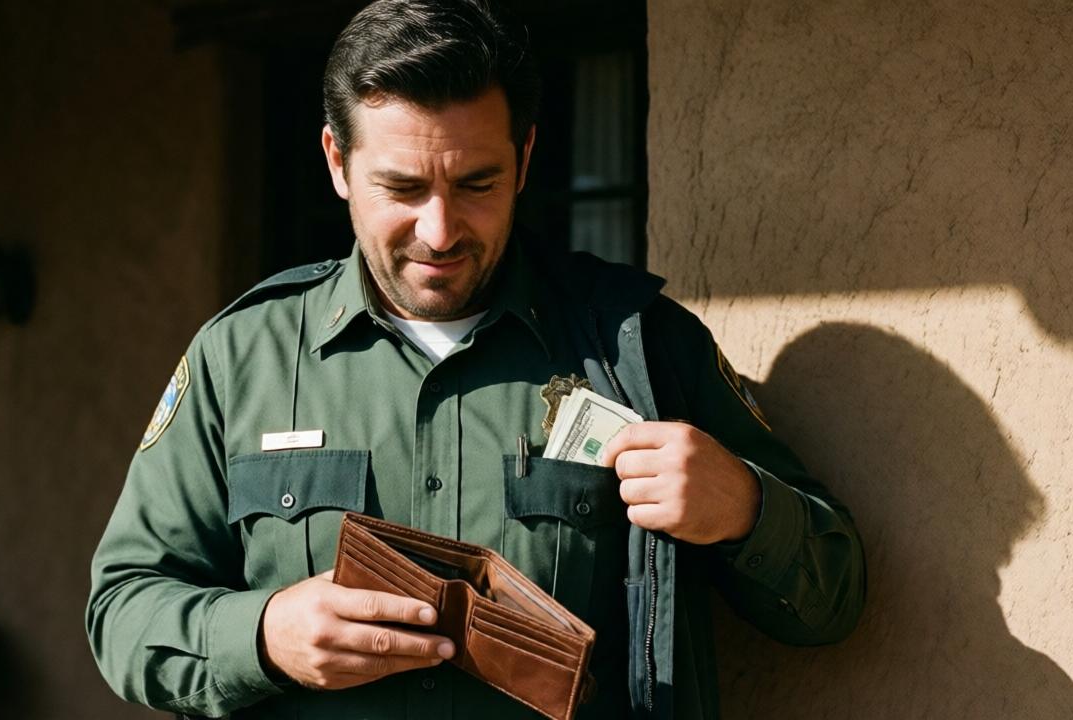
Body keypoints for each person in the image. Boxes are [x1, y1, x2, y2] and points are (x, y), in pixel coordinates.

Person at [86, 0, 865, 717]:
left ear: (525, 160)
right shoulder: (240, 356)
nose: (439, 230)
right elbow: (121, 610)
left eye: (476, 183)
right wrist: (261, 634)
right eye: (402, 186)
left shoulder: (641, 345)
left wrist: (743, 510)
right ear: (336, 161)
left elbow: (833, 600)